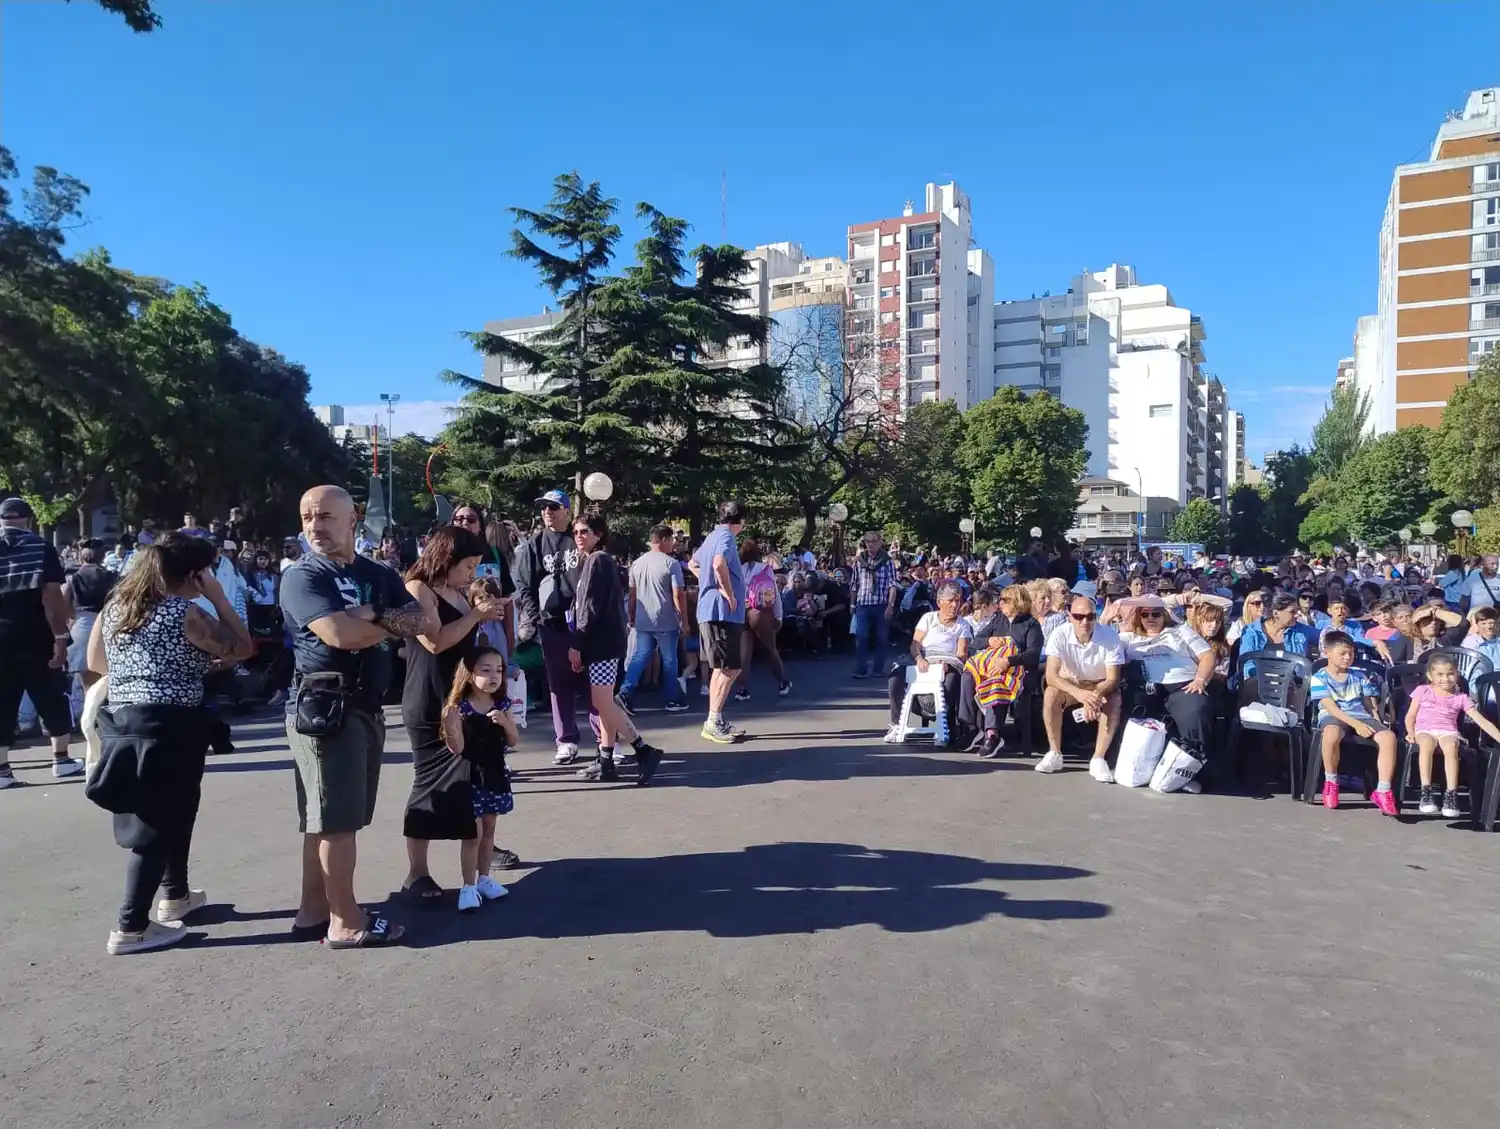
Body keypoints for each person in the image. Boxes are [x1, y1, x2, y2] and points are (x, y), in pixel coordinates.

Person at [279, 485, 433, 948]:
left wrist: (370, 612)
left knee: (326, 820)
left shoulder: (376, 573)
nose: (315, 526)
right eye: (308, 517)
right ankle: (346, 921)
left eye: (325, 516)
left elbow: (420, 620)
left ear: (352, 520)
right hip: (325, 708)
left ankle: (313, 911)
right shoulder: (301, 576)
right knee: (335, 823)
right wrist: (383, 623)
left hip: (364, 706)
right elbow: (338, 634)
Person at [86, 533, 254, 953]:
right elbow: (243, 647)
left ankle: (175, 894)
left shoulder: (116, 608)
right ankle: (130, 927)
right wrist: (217, 596)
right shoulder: (186, 612)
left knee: (175, 812)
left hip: (125, 721)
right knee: (158, 826)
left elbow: (95, 663)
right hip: (171, 725)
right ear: (195, 574)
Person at [398, 526, 510, 906]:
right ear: (446, 558)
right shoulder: (418, 589)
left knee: (469, 783)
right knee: (427, 784)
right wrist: (476, 616)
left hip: (460, 698)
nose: (472, 574)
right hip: (428, 698)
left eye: (477, 567)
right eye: (468, 566)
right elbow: (435, 641)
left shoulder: (459, 592)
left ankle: (477, 866)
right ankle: (416, 871)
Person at [568, 512, 663, 784]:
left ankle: (643, 749)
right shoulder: (600, 561)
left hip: (601, 644)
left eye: (584, 531)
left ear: (598, 534)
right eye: (576, 532)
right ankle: (606, 759)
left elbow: (588, 608)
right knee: (604, 702)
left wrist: (577, 643)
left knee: (602, 702)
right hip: (609, 642)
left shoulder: (596, 561)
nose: (579, 536)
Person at [0, 497, 82, 787]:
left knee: (2, 701)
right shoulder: (41, 548)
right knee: (50, 695)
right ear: (28, 519)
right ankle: (61, 759)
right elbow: (50, 596)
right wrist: (60, 637)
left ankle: (2, 771)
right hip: (35, 636)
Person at [438, 647, 517, 911]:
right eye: (486, 670)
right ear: (470, 674)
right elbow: (457, 748)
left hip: (494, 775)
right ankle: (468, 885)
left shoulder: (502, 704)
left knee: (489, 831)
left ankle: (485, 878)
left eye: (499, 670)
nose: (495, 676)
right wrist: (450, 726)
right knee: (472, 835)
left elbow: (514, 739)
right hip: (470, 777)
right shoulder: (459, 708)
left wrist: (505, 724)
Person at [513, 489, 588, 765]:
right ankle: (566, 740)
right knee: (559, 684)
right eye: (544, 507)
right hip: (552, 625)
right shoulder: (534, 545)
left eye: (554, 507)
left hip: (582, 625)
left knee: (593, 684)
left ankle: (608, 739)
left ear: (567, 511)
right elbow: (524, 585)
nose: (548, 512)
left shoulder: (577, 539)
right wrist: (536, 617)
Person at [1118, 597, 1217, 775]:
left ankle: (1192, 770)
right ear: (1138, 616)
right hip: (1144, 688)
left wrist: (1200, 680)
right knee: (1125, 703)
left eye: (1156, 614)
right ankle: (1134, 766)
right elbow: (1101, 640)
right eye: (1145, 614)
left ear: (1164, 615)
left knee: (1196, 709)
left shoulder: (1181, 631)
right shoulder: (1128, 638)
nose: (1151, 618)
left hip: (1183, 686)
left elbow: (1208, 656)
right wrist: (1111, 615)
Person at [1039, 595, 1125, 781]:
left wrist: (1094, 695)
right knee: (1051, 694)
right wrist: (1079, 694)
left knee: (1114, 699)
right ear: (1070, 616)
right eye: (1079, 617)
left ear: (1095, 616)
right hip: (1070, 683)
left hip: (1099, 684)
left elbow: (1112, 679)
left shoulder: (1110, 636)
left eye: (1090, 616)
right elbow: (1051, 675)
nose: (1084, 621)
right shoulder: (1060, 634)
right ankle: (1054, 752)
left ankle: (1098, 758)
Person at [1310, 631, 1397, 814]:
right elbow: (1331, 708)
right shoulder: (1319, 677)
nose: (1348, 657)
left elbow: (1369, 703)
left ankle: (1383, 790)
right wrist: (1356, 725)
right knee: (1331, 734)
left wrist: (1376, 721)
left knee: (1388, 737)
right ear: (1327, 653)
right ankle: (1331, 781)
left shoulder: (1359, 676)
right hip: (1334, 715)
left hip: (1360, 715)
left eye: (1350, 653)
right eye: (1342, 653)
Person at [1404, 653, 1500, 819]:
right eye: (1440, 674)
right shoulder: (1422, 691)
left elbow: (1481, 721)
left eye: (1450, 674)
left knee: (1451, 746)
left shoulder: (1461, 698)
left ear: (1457, 674)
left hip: (1448, 731)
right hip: (1424, 729)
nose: (1445, 679)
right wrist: (1410, 732)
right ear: (1430, 675)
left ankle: (1451, 794)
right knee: (1426, 745)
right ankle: (1426, 792)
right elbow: (1410, 715)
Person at [884, 581, 972, 745]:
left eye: (957, 601)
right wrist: (919, 658)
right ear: (939, 603)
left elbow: (961, 654)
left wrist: (946, 662)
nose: (954, 605)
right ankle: (896, 724)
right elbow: (915, 644)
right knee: (895, 676)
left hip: (948, 661)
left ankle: (941, 725)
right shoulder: (928, 618)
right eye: (950, 601)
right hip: (924, 658)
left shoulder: (963, 625)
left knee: (952, 681)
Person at [691, 500, 748, 745]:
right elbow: (717, 563)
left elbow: (694, 563)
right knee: (731, 667)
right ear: (741, 521)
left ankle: (716, 719)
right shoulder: (726, 537)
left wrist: (707, 583)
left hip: (711, 611)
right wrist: (727, 592)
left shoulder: (711, 536)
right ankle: (713, 720)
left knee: (721, 667)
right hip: (722, 612)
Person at [620, 525, 689, 713]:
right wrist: (684, 620)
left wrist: (631, 616)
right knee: (669, 659)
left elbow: (632, 594)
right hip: (665, 618)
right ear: (665, 539)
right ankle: (672, 699)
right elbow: (678, 595)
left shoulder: (637, 563)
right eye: (672, 540)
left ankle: (625, 692)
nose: (674, 544)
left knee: (641, 655)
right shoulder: (671, 564)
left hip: (643, 618)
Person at [64, 542, 117, 719]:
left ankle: (87, 715)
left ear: (83, 556)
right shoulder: (109, 575)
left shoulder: (74, 577)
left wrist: (75, 617)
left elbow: (66, 605)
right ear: (101, 556)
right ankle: (102, 714)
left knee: (84, 675)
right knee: (106, 673)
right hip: (106, 621)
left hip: (82, 622)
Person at [735, 539, 791, 700]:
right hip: (761, 612)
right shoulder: (765, 569)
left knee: (744, 653)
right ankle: (782, 682)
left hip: (742, 612)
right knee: (770, 649)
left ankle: (742, 689)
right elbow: (775, 595)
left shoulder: (737, 570)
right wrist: (778, 616)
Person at [850, 532, 899, 680]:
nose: (871, 544)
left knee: (881, 638)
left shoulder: (887, 561)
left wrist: (891, 605)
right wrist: (852, 604)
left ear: (880, 543)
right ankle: (861, 669)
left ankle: (878, 669)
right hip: (862, 605)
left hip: (881, 604)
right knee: (861, 637)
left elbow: (893, 585)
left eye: (874, 541)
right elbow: (854, 584)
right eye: (868, 542)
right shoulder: (859, 561)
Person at [1237, 593, 1319, 659]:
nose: (1297, 615)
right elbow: (1247, 661)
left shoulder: (1301, 630)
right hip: (1257, 678)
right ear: (1276, 613)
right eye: (1292, 612)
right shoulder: (1251, 632)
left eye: (1297, 610)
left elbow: (1324, 636)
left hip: (1292, 678)